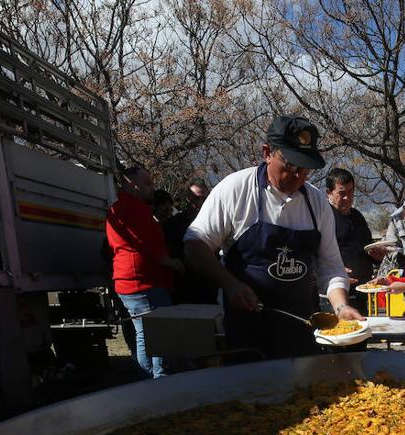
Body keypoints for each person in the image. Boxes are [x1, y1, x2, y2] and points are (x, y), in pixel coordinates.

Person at [183, 115, 362, 359]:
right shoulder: (235, 189)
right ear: (267, 152)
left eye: (305, 168)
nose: (298, 176)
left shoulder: (317, 202)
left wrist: (340, 306)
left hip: (302, 329)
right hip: (247, 331)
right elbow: (194, 244)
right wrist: (230, 284)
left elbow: (331, 266)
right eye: (290, 166)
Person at [106, 166, 183, 378]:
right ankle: (159, 380)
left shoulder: (120, 207)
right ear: (132, 184)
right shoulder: (134, 209)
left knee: (144, 333)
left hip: (128, 281)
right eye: (148, 183)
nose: (152, 187)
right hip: (144, 281)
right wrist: (172, 263)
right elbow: (147, 244)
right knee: (159, 332)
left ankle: (149, 378)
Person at [164, 177, 218, 305]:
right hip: (185, 284)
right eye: (195, 198)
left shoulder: (216, 222)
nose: (199, 202)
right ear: (188, 198)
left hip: (210, 283)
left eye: (203, 198)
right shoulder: (174, 224)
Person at [325, 167, 382, 286]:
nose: (347, 197)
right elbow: (315, 254)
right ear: (329, 193)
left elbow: (368, 247)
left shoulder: (357, 216)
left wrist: (377, 256)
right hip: (335, 288)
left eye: (350, 191)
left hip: (364, 287)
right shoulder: (323, 217)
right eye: (342, 193)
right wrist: (335, 272)